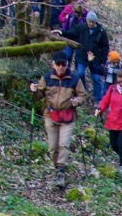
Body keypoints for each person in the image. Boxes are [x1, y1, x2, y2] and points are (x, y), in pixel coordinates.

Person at [29, 51, 86, 191]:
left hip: (68, 117)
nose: (61, 67)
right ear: (53, 64)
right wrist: (34, 90)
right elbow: (39, 96)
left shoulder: (74, 79)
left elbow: (83, 95)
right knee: (53, 147)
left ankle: (61, 171)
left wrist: (76, 101)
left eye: (64, 64)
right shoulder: (47, 78)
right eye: (59, 64)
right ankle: (57, 167)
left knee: (64, 144)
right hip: (51, 115)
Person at [56, 10, 109, 102]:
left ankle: (97, 100)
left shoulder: (101, 31)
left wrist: (103, 61)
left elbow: (105, 47)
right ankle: (83, 92)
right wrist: (62, 32)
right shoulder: (81, 27)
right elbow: (71, 33)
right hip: (81, 56)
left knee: (97, 79)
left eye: (93, 22)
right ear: (87, 21)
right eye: (89, 21)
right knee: (80, 73)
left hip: (95, 58)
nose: (91, 24)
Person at [94, 67, 122, 172]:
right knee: (114, 145)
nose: (121, 84)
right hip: (113, 121)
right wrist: (100, 109)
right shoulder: (113, 89)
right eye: (119, 82)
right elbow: (105, 100)